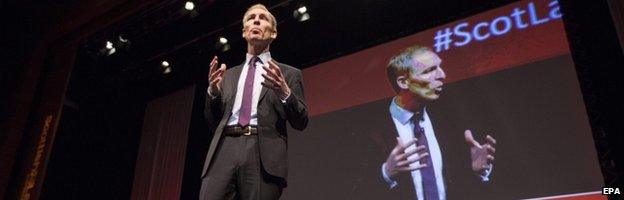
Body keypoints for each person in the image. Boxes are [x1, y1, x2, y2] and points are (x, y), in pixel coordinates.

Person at [200, 4, 308, 200]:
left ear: (273, 33)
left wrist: (285, 92)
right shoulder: (227, 76)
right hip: (224, 149)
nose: (256, 20)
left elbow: (301, 121)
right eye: (251, 18)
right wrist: (213, 93)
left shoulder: (289, 74)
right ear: (244, 32)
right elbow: (211, 122)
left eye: (263, 18)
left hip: (262, 152)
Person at [378, 45, 497, 199]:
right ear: (403, 82)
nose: (442, 75)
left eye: (439, 67)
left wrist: (478, 172)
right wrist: (385, 173)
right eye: (430, 71)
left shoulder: (450, 119)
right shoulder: (369, 129)